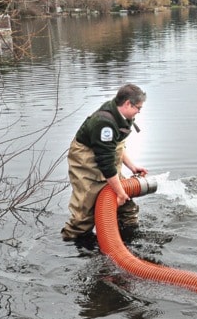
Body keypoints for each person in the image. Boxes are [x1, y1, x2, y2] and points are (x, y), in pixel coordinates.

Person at [61, 83, 148, 242]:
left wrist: (132, 166)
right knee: (83, 218)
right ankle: (71, 244)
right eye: (138, 108)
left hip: (105, 162)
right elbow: (106, 162)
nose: (139, 111)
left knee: (127, 209)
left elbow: (116, 147)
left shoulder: (122, 115)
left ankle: (127, 242)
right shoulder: (104, 123)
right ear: (127, 103)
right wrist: (120, 192)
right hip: (86, 164)